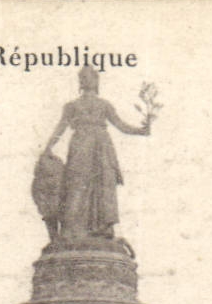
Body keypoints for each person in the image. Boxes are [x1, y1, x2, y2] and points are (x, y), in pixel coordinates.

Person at [40, 66, 150, 241]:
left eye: (90, 77)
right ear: (79, 82)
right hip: (80, 146)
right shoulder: (71, 106)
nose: (86, 80)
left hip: (102, 147)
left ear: (96, 81)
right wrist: (48, 147)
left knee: (104, 185)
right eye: (82, 77)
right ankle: (72, 228)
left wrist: (141, 131)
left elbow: (120, 125)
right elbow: (60, 127)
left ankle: (103, 228)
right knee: (76, 184)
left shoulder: (104, 105)